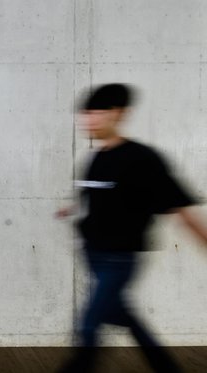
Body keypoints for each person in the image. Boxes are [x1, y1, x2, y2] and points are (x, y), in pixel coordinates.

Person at [56, 83, 207, 373]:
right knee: (127, 318)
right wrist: (72, 208)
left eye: (96, 114)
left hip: (119, 259)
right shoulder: (96, 157)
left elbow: (179, 207)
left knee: (89, 325)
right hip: (93, 255)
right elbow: (93, 193)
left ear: (118, 114)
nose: (88, 120)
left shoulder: (142, 158)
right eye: (85, 114)